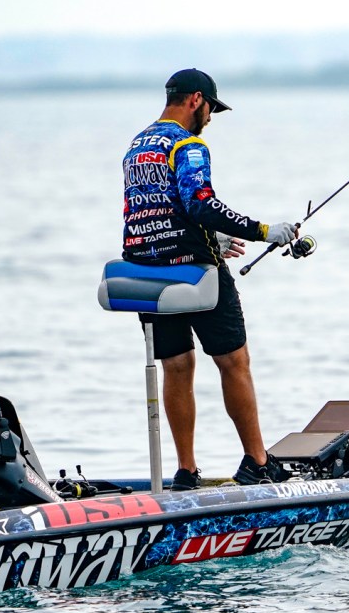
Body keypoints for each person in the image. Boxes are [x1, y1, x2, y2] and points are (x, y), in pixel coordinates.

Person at [121, 68, 297, 489]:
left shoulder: (138, 145)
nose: (211, 119)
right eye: (211, 109)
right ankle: (258, 462)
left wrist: (210, 234)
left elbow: (153, 208)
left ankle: (185, 471)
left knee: (176, 366)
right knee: (234, 362)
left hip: (147, 272)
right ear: (196, 100)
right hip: (196, 271)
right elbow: (201, 203)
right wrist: (262, 230)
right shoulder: (189, 145)